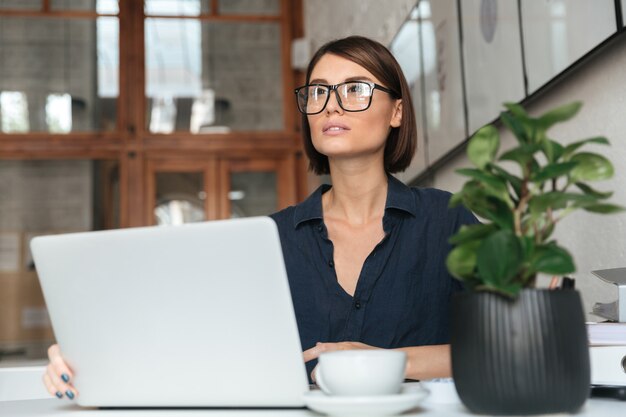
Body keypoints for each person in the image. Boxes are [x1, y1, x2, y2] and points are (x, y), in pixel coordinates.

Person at [43, 35, 477, 399]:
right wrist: (86, 359)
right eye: (319, 91)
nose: (331, 105)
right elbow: (199, 346)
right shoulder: (269, 239)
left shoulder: (446, 220)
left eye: (355, 89)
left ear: (397, 111)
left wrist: (378, 361)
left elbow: (504, 344)